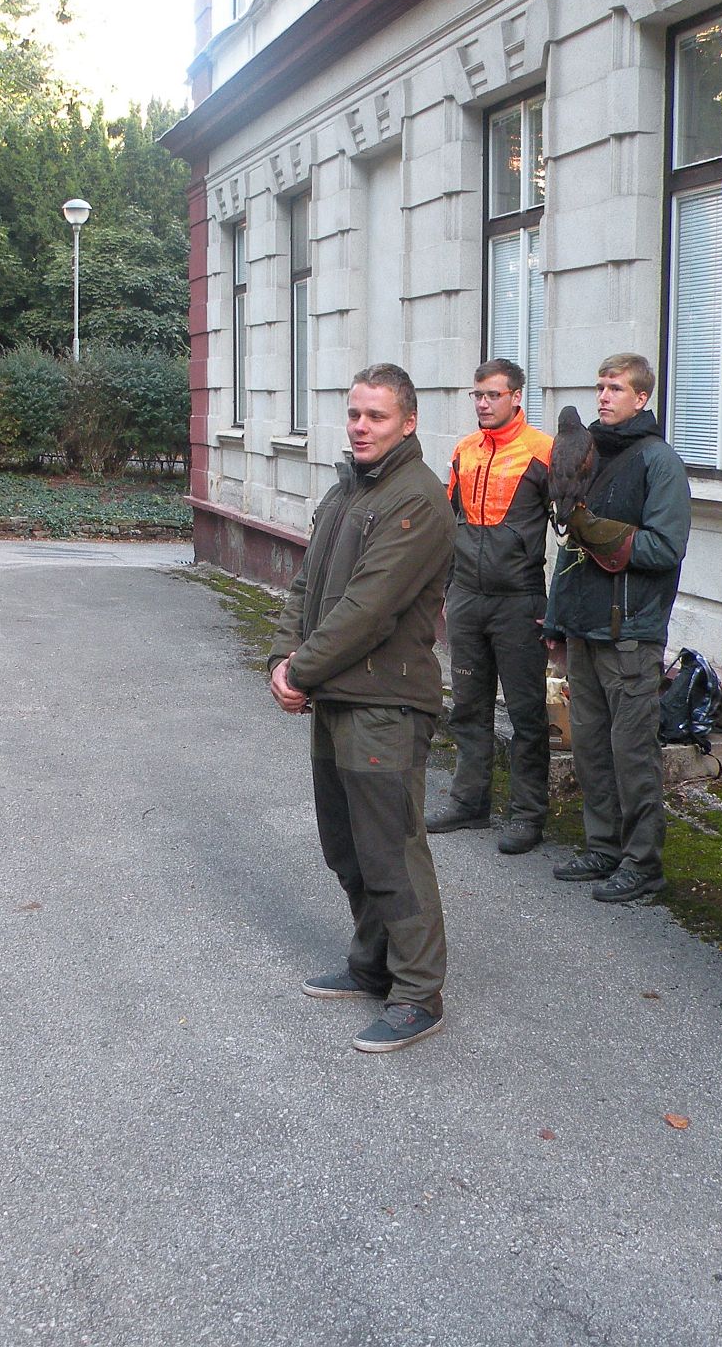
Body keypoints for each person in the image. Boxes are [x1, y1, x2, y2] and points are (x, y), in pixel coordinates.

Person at [269, 363, 455, 1053]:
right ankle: (372, 963)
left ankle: (418, 993)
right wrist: (280, 656)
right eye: (354, 413)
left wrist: (300, 671)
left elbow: (368, 609)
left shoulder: (418, 500)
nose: (360, 426)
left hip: (385, 703)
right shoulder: (346, 489)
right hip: (337, 695)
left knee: (390, 850)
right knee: (346, 845)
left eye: (376, 416)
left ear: (408, 422)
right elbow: (305, 585)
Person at [543, 353, 690, 905]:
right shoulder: (585, 450)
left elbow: (665, 547)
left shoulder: (659, 461)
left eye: (616, 388)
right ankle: (603, 847)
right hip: (584, 628)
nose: (603, 396)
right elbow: (570, 549)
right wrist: (556, 618)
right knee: (590, 749)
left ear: (642, 398)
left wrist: (602, 531)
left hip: (631, 633)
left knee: (632, 755)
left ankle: (642, 864)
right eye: (600, 386)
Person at [425, 358, 555, 855]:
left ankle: (527, 814)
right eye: (477, 395)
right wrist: (447, 589)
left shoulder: (543, 451)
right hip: (467, 598)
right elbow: (449, 521)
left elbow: (572, 529)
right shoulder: (465, 450)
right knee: (468, 707)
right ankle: (469, 801)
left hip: (519, 601)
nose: (482, 403)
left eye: (492, 395)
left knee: (526, 713)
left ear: (516, 397)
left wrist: (556, 608)